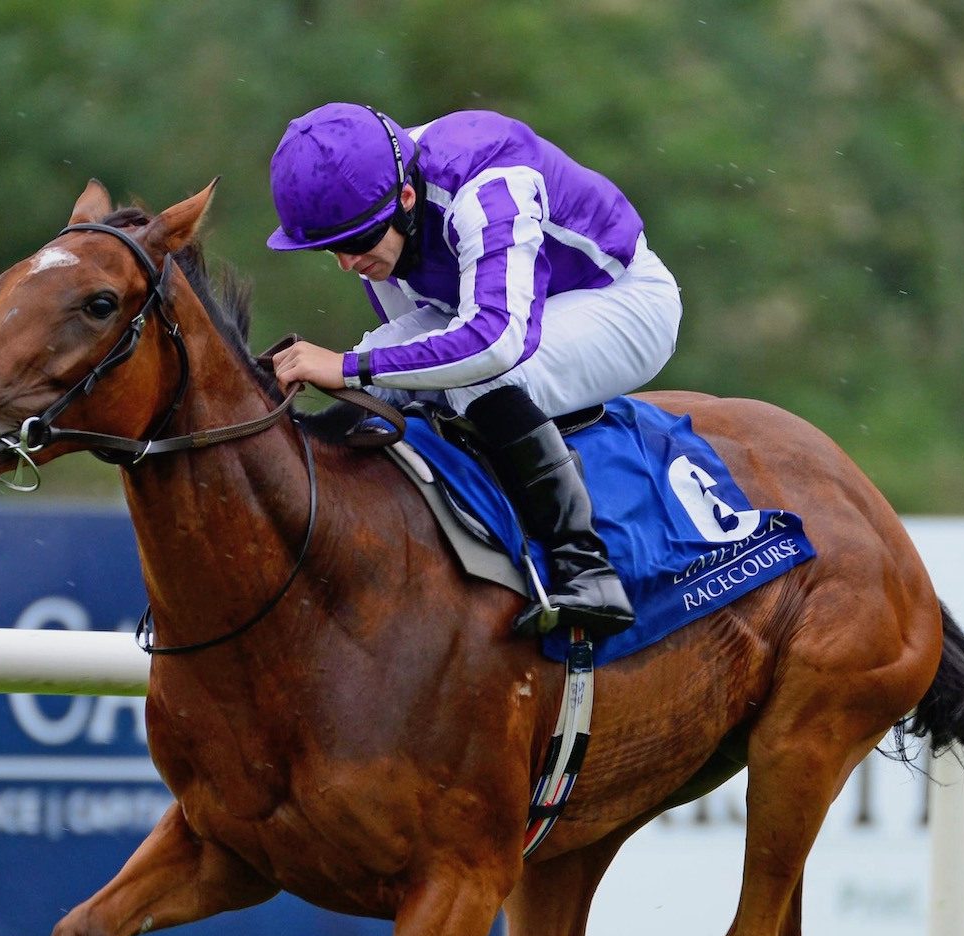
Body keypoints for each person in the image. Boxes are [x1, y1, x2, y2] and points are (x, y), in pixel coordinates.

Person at [265, 103, 682, 638]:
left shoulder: (487, 181)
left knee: (468, 375)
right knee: (392, 373)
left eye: (354, 244)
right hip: (517, 307)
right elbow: (417, 364)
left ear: (407, 199)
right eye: (329, 249)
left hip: (621, 299)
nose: (346, 263)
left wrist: (346, 368)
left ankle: (586, 568)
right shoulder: (376, 195)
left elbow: (494, 345)